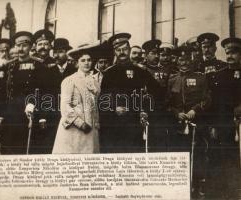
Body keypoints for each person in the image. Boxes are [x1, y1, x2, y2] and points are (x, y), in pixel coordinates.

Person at [99, 33, 160, 153]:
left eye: (125, 49)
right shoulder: (108, 73)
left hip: (135, 123)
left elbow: (156, 93)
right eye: (118, 50)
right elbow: (103, 98)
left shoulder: (141, 71)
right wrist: (114, 108)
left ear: (129, 49)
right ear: (114, 52)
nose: (122, 52)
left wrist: (145, 110)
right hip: (115, 125)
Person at [166, 45, 210, 198]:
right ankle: (183, 189)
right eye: (181, 59)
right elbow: (167, 103)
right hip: (177, 126)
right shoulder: (172, 79)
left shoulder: (200, 78)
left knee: (197, 156)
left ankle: (199, 188)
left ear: (192, 60)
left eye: (186, 60)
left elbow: (207, 99)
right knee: (179, 156)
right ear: (177, 61)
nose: (184, 63)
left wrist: (195, 110)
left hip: (196, 126)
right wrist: (176, 113)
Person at [205, 37, 241, 199]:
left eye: (234, 52)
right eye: (227, 52)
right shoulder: (219, 76)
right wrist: (213, 125)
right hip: (225, 126)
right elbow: (213, 103)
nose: (230, 55)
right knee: (225, 160)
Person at [52, 43, 100, 154]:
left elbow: (95, 106)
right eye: (83, 60)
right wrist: (80, 123)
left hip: (91, 129)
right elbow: (65, 107)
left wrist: (96, 123)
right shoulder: (69, 80)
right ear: (77, 63)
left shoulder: (95, 82)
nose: (87, 63)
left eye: (89, 60)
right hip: (74, 128)